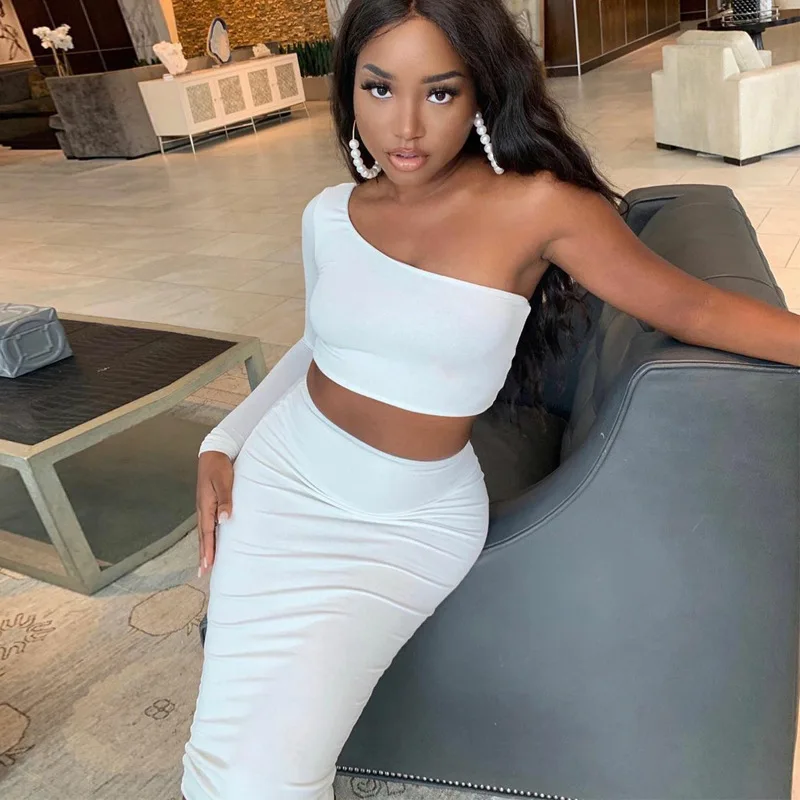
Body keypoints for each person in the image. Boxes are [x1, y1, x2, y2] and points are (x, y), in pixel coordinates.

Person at [181, 1, 800, 798]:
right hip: (280, 481)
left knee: (269, 775)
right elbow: (318, 349)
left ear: (481, 92)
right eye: (379, 89)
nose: (405, 126)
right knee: (217, 752)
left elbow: (697, 309)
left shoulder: (540, 209)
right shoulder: (332, 214)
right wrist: (224, 439)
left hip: (404, 527)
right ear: (348, 90)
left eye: (439, 92)